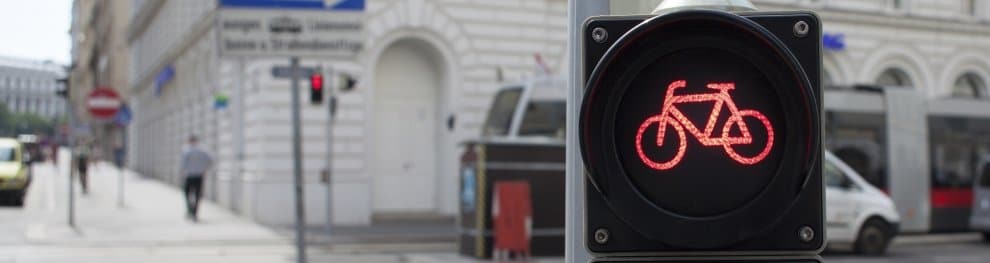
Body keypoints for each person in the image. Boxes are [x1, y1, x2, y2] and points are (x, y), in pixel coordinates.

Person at [180, 135, 212, 222]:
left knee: (187, 193)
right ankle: (194, 213)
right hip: (199, 175)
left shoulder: (187, 150)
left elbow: (183, 164)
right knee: (197, 195)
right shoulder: (203, 150)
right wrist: (205, 169)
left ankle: (190, 209)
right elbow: (210, 160)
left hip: (189, 175)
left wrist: (183, 171)